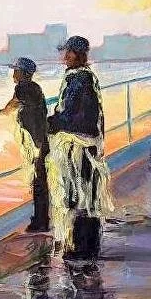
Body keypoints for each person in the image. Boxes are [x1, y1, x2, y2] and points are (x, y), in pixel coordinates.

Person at [46, 36, 114, 259]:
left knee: (74, 195)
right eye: (65, 52)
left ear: (80, 55)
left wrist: (49, 123)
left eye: (70, 52)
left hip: (78, 145)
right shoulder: (86, 77)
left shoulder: (78, 79)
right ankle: (86, 246)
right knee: (87, 195)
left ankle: (79, 247)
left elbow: (73, 116)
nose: (65, 56)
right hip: (89, 143)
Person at [2, 57, 50, 232]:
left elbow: (10, 107)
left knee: (38, 181)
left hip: (34, 141)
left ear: (22, 73)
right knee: (41, 180)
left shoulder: (22, 88)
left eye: (16, 71)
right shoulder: (35, 87)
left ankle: (40, 222)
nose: (13, 74)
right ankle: (42, 219)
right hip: (42, 137)